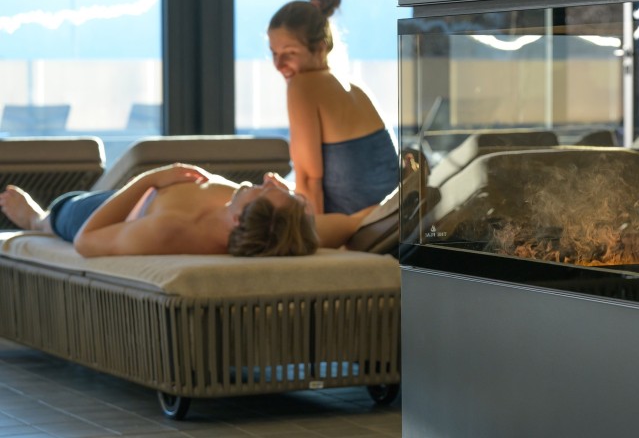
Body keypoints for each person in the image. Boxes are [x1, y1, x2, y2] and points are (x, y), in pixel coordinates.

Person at [0, 163, 380, 257]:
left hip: (110, 211)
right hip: (160, 199)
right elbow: (352, 222)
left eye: (269, 190)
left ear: (238, 219)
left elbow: (86, 242)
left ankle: (34, 217)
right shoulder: (284, 226)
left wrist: (150, 178)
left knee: (60, 212)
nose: (269, 178)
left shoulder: (171, 229)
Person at [268, 0, 398, 215]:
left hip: (357, 227)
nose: (278, 65)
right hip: (387, 219)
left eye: (290, 53)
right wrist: (290, 190)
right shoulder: (354, 87)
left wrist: (314, 239)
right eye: (274, 53)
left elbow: (310, 183)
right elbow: (356, 179)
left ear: (320, 48)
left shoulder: (302, 86)